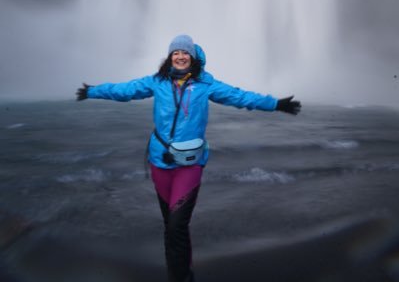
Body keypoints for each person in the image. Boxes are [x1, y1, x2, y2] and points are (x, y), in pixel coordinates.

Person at [76, 34, 301, 282]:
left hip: (190, 164)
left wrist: (275, 104)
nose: (180, 57)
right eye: (176, 53)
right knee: (170, 227)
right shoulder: (157, 82)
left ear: (192, 57)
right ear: (170, 57)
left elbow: (240, 96)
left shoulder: (206, 84)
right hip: (160, 162)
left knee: (177, 226)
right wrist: (92, 91)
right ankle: (177, 274)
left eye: (185, 53)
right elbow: (124, 90)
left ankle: (183, 277)